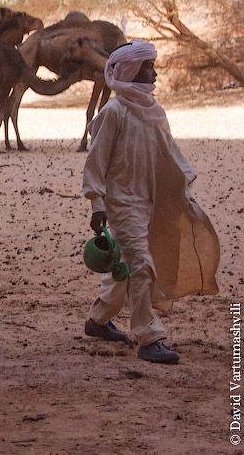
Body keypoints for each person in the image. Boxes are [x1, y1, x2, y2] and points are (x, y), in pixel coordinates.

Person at [81, 40, 220, 364]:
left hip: (151, 201)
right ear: (131, 69)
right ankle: (149, 337)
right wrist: (96, 204)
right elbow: (96, 162)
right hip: (122, 202)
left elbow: (168, 156)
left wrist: (180, 194)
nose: (155, 73)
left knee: (127, 264)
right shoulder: (113, 112)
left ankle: (98, 321)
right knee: (141, 263)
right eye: (148, 67)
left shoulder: (154, 111)